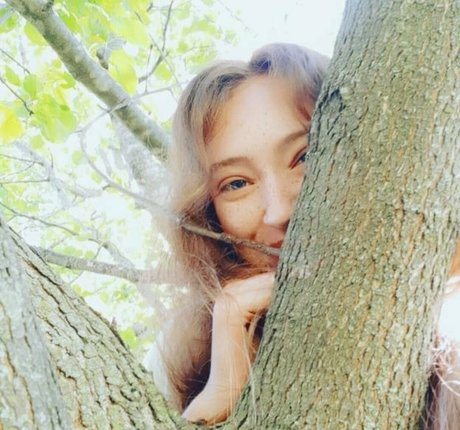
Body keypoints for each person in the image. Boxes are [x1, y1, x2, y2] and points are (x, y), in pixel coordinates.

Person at [144, 43, 460, 426]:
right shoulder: (183, 350)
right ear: (210, 216)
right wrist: (217, 402)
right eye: (236, 183)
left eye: (304, 156)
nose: (279, 211)